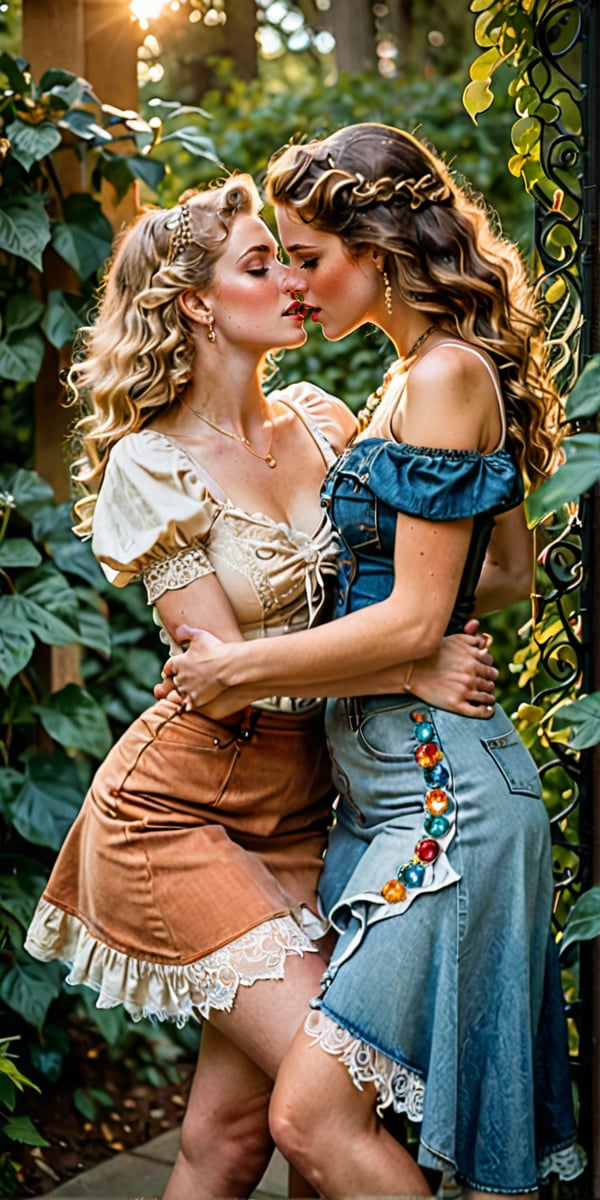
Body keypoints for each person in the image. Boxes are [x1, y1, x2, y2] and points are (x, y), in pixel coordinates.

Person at [24, 173, 503, 1200]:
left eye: (292, 260)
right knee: (332, 1106)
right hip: (179, 810)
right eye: (261, 263)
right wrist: (412, 654)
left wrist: (421, 626)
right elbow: (226, 683)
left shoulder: (325, 419)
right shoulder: (149, 468)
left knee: (231, 1137)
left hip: (311, 808)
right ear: (196, 302)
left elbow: (420, 574)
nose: (293, 280)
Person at [159, 128, 586, 1198]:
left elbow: (414, 618)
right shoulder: (414, 378)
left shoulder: (443, 375)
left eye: (307, 253)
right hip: (382, 798)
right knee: (338, 1129)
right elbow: (505, 574)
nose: (295, 282)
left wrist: (241, 670)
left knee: (312, 1121)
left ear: (381, 243)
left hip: (443, 807)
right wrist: (415, 630)